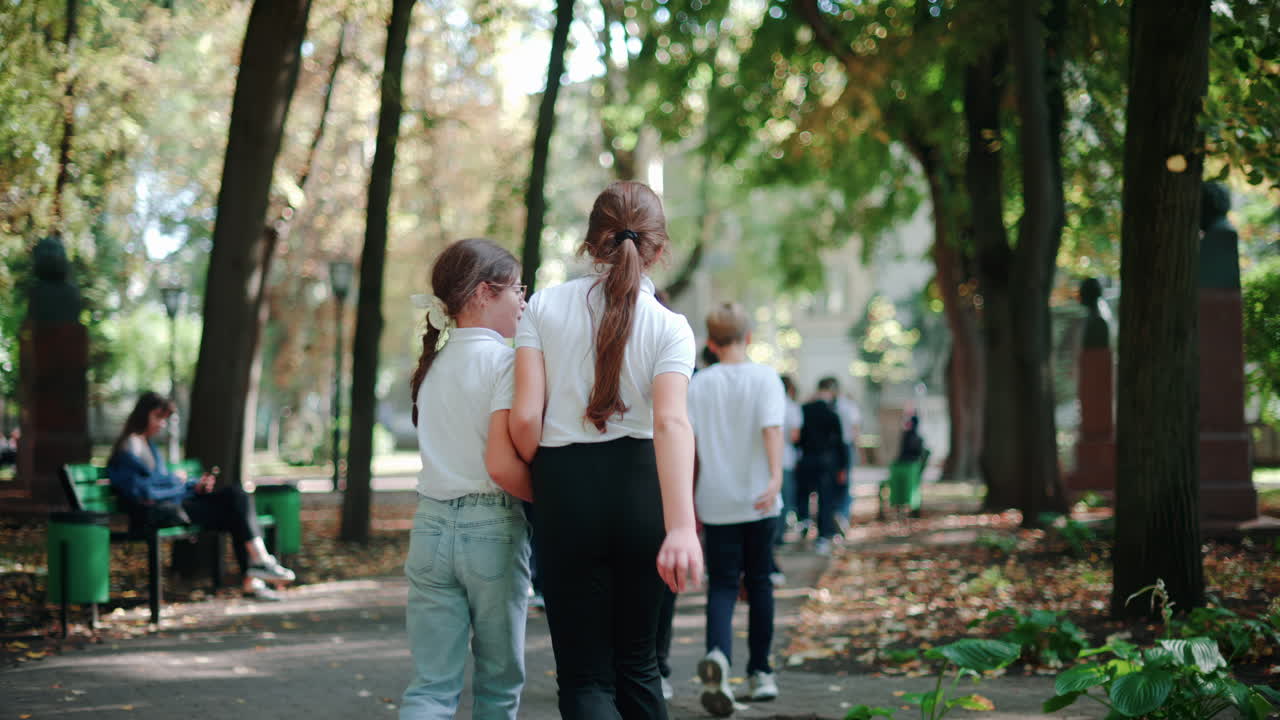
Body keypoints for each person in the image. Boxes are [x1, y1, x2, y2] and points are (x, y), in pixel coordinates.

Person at [510, 180, 703, 720]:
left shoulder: (543, 307)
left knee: (584, 675)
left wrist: (544, 475)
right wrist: (682, 527)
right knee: (638, 665)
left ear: (590, 243)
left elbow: (526, 418)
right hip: (643, 491)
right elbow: (670, 422)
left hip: (565, 489)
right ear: (659, 250)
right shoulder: (672, 328)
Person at [400, 238, 533, 720]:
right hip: (491, 530)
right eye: (517, 288)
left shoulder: (432, 365)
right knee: (497, 687)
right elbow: (502, 464)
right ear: (483, 292)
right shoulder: (506, 362)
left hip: (429, 528)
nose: (523, 300)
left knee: (430, 688)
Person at [687, 302, 785, 716]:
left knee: (723, 585)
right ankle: (761, 672)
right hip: (759, 499)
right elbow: (772, 430)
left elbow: (687, 444)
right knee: (760, 582)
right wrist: (776, 478)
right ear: (749, 337)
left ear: (710, 342)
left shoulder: (698, 384)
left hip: (714, 498)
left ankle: (719, 658)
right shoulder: (766, 378)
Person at [106, 392, 294, 600]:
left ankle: (258, 568)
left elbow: (161, 484)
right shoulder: (130, 446)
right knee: (234, 506)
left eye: (165, 419)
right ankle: (258, 569)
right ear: (143, 415)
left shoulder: (147, 445)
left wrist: (192, 486)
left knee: (237, 495)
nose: (162, 425)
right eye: (158, 418)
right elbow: (143, 491)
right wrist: (178, 483)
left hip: (176, 505)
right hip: (159, 513)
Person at [794, 378, 849, 555]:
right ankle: (823, 536)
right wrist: (843, 466)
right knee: (825, 499)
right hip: (828, 462)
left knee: (804, 494)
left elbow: (798, 438)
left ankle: (804, 520)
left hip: (807, 459)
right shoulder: (832, 413)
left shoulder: (804, 410)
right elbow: (840, 442)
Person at [834, 392, 862, 526]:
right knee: (846, 482)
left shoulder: (833, 406)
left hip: (833, 448)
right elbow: (855, 430)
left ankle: (835, 512)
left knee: (834, 482)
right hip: (846, 446)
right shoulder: (850, 406)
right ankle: (843, 515)